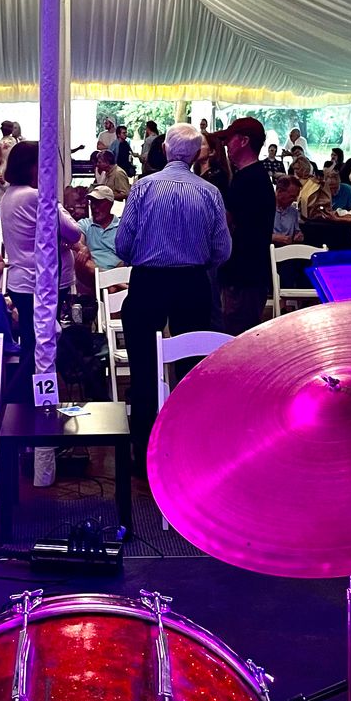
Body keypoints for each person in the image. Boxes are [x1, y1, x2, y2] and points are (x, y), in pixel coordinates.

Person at [115, 122, 231, 472]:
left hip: (148, 281)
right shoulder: (210, 192)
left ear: (165, 149)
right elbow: (222, 249)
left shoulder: (143, 188)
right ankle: (187, 448)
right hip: (193, 282)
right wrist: (198, 260)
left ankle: (142, 454)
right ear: (196, 155)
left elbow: (123, 244)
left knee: (143, 368)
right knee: (191, 367)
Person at [0, 141, 83, 480]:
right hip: (41, 283)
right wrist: (59, 207)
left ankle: (22, 417)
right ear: (32, 166)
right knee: (40, 351)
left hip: (23, 281)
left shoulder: (9, 195)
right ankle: (16, 414)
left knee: (35, 348)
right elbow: (73, 232)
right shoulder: (35, 197)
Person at [218, 116, 276, 335]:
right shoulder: (255, 176)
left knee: (236, 333)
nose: (226, 145)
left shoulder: (247, 180)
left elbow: (227, 223)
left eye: (230, 139)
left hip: (243, 274)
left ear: (244, 141)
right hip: (250, 273)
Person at [75, 185, 122, 290]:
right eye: (92, 203)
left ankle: (111, 285)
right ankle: (112, 284)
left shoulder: (122, 226)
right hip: (91, 274)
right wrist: (83, 247)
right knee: (83, 259)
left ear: (110, 204)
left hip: (118, 271)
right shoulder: (85, 224)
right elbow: (78, 241)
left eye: (98, 202)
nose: (94, 207)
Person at [271, 176, 302, 244]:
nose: (295, 199)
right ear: (279, 192)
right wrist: (274, 238)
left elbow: (297, 231)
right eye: (292, 196)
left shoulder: (294, 212)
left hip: (289, 248)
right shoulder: (262, 209)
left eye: (296, 196)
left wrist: (298, 235)